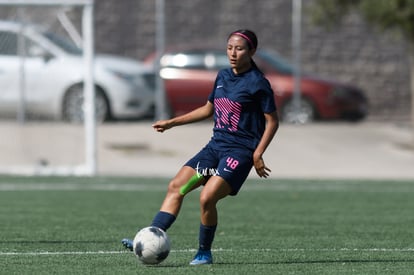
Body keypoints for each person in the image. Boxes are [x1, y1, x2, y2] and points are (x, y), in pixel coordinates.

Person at [122, 29, 279, 265]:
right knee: (177, 187)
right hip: (214, 149)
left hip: (239, 154)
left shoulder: (258, 83)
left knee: (207, 198)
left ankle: (204, 252)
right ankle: (150, 236)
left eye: (239, 48)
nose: (233, 53)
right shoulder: (223, 76)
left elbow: (272, 121)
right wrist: (172, 122)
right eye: (229, 48)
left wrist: (258, 153)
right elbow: (208, 110)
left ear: (252, 51)